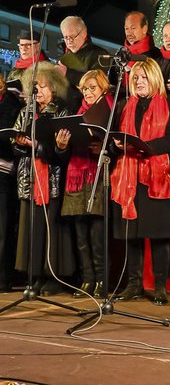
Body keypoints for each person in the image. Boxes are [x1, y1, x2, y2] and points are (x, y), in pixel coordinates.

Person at [110, 58, 170, 305]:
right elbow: (114, 138)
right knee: (132, 234)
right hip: (129, 174)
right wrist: (117, 145)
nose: (139, 82)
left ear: (154, 79)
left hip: (157, 176)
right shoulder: (123, 106)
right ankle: (133, 284)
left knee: (159, 236)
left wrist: (146, 147)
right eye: (136, 78)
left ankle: (160, 286)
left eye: (143, 77)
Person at [13, 63, 74, 296]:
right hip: (28, 177)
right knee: (31, 228)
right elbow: (15, 140)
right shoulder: (26, 110)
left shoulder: (61, 111)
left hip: (51, 178)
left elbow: (62, 151)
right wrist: (19, 144)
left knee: (51, 228)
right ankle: (35, 275)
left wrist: (37, 145)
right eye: (35, 85)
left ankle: (53, 277)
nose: (37, 90)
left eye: (42, 85)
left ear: (54, 88)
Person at [55, 70, 112, 299]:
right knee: (80, 234)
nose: (87, 93)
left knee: (97, 235)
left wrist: (104, 148)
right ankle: (87, 280)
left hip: (97, 176)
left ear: (102, 89)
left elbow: (117, 143)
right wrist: (62, 146)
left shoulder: (109, 110)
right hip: (76, 175)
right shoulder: (76, 113)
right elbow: (63, 155)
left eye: (92, 88)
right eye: (85, 89)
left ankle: (101, 280)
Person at [0, 74, 23, 290]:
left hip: (3, 171)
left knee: (3, 228)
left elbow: (10, 137)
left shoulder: (11, 102)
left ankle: (3, 278)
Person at [56, 16, 107, 111]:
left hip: (85, 108)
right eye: (65, 37)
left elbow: (97, 84)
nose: (68, 41)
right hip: (62, 108)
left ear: (84, 33)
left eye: (72, 37)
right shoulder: (64, 56)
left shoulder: (99, 54)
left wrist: (67, 73)